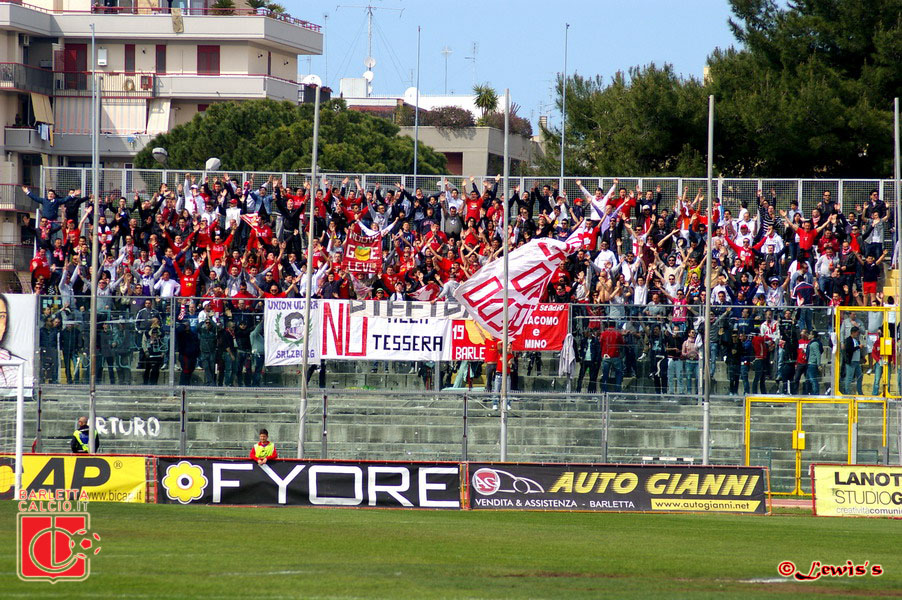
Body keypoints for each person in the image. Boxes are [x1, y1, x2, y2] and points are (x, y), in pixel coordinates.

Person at [842, 326, 864, 395]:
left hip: (857, 361)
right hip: (851, 361)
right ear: (853, 332)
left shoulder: (856, 340)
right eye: (857, 333)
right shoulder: (848, 340)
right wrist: (858, 347)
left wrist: (862, 357)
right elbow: (849, 349)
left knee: (860, 376)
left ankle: (860, 392)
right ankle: (847, 392)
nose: (858, 334)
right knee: (849, 377)